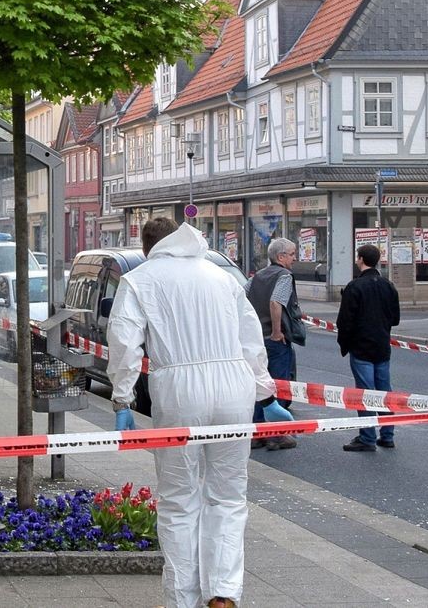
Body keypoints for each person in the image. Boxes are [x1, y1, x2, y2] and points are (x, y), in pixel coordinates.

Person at [107, 218, 292, 608]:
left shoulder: (140, 280)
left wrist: (123, 399)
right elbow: (250, 339)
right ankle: (222, 592)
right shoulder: (220, 277)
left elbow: (124, 343)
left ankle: (183, 599)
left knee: (179, 499)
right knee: (228, 495)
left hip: (179, 390)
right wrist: (265, 396)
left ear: (148, 248)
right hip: (234, 388)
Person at [338, 244, 401, 452]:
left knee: (365, 394)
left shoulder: (354, 287)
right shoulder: (388, 285)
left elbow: (345, 321)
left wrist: (345, 343)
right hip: (382, 346)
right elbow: (395, 318)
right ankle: (387, 435)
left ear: (361, 259)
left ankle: (367, 437)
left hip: (361, 347)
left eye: (357, 257)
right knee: (385, 392)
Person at [244, 237, 304, 451]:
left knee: (259, 385)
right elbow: (276, 302)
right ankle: (277, 435)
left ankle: (257, 433)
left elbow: (242, 299)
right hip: (274, 340)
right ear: (281, 256)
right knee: (278, 385)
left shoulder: (257, 276)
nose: (294, 258)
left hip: (257, 340)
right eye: (292, 254)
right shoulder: (284, 276)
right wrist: (277, 332)